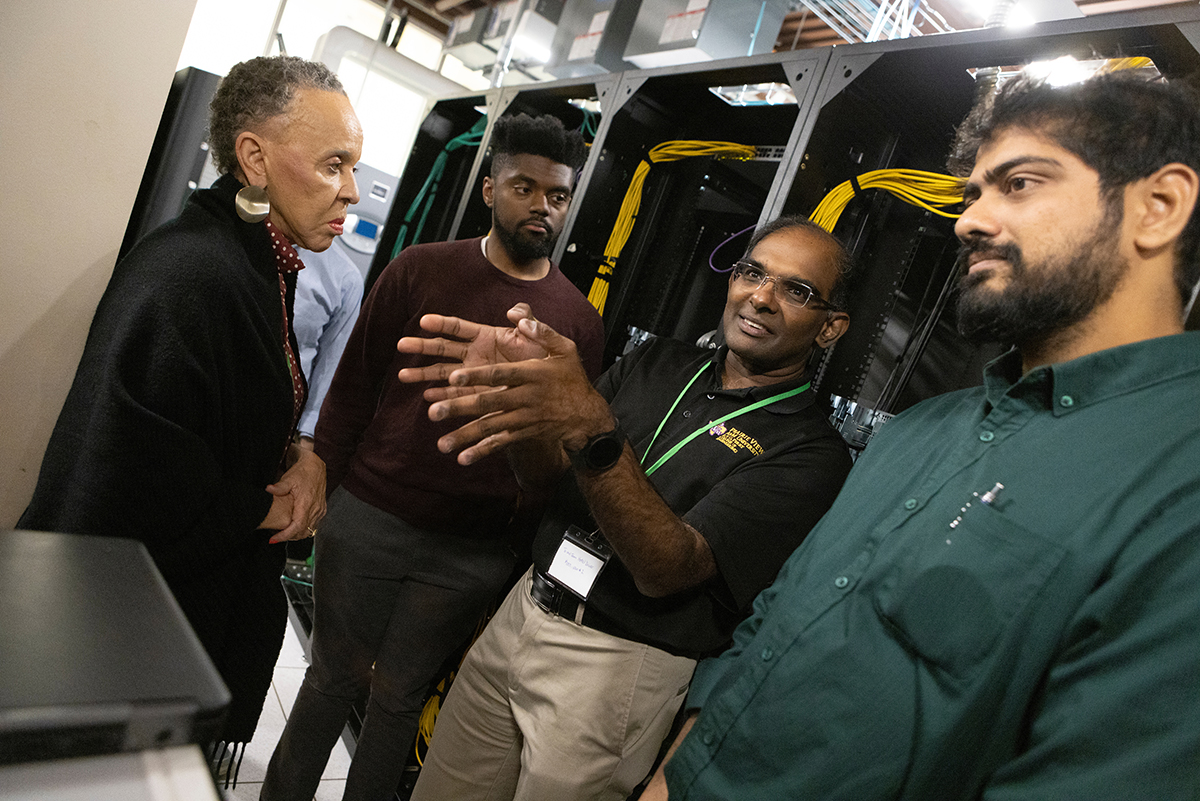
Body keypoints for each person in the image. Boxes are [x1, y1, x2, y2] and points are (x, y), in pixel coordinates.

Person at [638, 72, 1200, 800]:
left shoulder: (1178, 475)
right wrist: (672, 773)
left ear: (1158, 207)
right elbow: (776, 617)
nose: (970, 220)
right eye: (972, 194)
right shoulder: (920, 432)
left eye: (1020, 184)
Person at [399, 216, 856, 800]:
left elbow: (668, 567)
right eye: (752, 273)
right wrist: (517, 406)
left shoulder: (811, 457)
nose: (761, 298)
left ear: (831, 328)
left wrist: (592, 427)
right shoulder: (658, 362)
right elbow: (547, 478)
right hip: (526, 610)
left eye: (796, 291)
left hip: (614, 667)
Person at [18, 55, 362, 764]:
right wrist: (272, 508)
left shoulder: (254, 262)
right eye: (333, 164)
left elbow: (239, 412)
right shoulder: (192, 275)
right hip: (124, 647)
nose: (351, 191)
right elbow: (132, 480)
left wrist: (302, 453)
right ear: (254, 158)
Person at [261, 112, 605, 801]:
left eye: (558, 194)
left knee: (397, 700)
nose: (543, 205)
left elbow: (562, 455)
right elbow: (353, 385)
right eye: (525, 187)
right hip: (372, 517)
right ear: (490, 189)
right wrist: (323, 474)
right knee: (332, 679)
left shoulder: (576, 322)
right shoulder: (420, 270)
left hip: (471, 551)